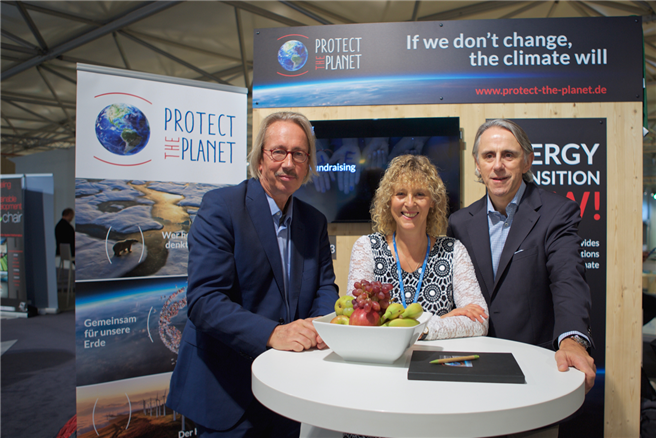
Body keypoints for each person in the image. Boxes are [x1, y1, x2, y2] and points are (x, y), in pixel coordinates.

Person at [166, 111, 339, 437]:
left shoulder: (314, 221)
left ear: (307, 165)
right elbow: (204, 302)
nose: (288, 163)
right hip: (227, 394)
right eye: (278, 151)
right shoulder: (221, 208)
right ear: (260, 159)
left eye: (299, 154)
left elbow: (325, 288)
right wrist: (273, 333)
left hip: (289, 390)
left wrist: (318, 327)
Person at [447, 119, 596, 397]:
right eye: (489, 156)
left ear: (527, 161)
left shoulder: (557, 213)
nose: (498, 165)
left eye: (509, 155)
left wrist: (573, 339)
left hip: (534, 367)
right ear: (477, 165)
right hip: (471, 365)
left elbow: (568, 278)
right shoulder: (459, 222)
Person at [347, 154, 488, 340]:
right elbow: (358, 320)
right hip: (381, 363)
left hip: (434, 365)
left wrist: (424, 329)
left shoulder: (453, 251)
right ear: (389, 201)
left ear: (432, 202)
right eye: (401, 194)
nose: (410, 203)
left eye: (420, 194)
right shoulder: (367, 248)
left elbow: (480, 321)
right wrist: (440, 320)